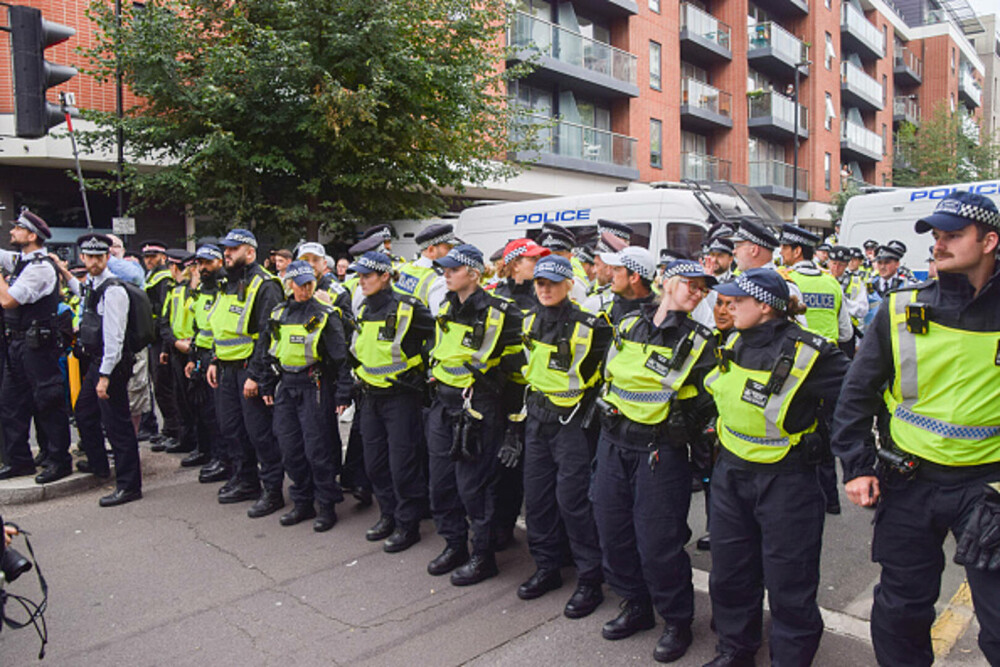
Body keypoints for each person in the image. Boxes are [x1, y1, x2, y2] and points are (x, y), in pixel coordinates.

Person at [832, 191, 1000, 666]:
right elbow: (856, 393)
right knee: (901, 611)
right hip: (910, 479)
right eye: (937, 236)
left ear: (989, 241)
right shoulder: (901, 308)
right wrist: (857, 466)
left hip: (988, 487)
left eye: (953, 235)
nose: (939, 244)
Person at [703, 268, 849, 667]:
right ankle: (735, 649)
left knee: (790, 583)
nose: (727, 307)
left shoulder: (812, 352)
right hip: (731, 473)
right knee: (731, 574)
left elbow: (857, 396)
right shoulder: (732, 340)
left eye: (737, 301)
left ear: (765, 306)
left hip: (788, 481)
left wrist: (853, 457)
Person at [592, 258, 717, 663]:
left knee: (659, 544)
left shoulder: (700, 341)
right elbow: (609, 375)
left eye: (702, 289)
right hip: (613, 443)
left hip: (659, 452)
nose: (696, 293)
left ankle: (677, 620)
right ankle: (636, 606)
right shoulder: (628, 323)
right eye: (690, 284)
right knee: (613, 533)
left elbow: (709, 403)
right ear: (666, 282)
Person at [517, 254, 611, 619]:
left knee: (573, 502)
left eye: (553, 283)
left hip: (571, 424)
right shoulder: (529, 320)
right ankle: (547, 567)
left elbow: (605, 376)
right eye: (539, 282)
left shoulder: (592, 326)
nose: (544, 288)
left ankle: (589, 578)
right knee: (537, 498)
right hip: (538, 419)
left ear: (570, 284)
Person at [425, 244, 524, 585]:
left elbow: (517, 373)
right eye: (445, 270)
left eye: (453, 269)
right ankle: (454, 545)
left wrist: (512, 425)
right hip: (443, 404)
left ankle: (483, 556)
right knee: (441, 483)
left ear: (474, 272)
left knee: (475, 488)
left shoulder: (503, 312)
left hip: (478, 407)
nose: (446, 274)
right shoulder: (445, 306)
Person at [348, 250, 433, 551]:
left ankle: (407, 524)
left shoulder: (409, 307)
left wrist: (424, 369)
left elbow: (437, 336)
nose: (362, 282)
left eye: (367, 276)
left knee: (403, 465)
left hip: (400, 398)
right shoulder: (363, 309)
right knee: (375, 464)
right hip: (370, 397)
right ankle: (388, 514)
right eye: (359, 276)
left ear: (385, 276)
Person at [261, 261, 348, 532]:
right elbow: (268, 351)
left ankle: (326, 505)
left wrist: (343, 393)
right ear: (289, 284)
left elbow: (341, 358)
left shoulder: (324, 315)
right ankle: (302, 502)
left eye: (310, 283)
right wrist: (266, 384)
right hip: (287, 385)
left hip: (315, 385)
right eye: (300, 284)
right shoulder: (278, 314)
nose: (305, 289)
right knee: (290, 448)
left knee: (317, 449)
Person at [206, 229, 286, 518]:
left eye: (233, 249)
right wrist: (215, 358)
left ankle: (272, 490)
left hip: (248, 370)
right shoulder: (229, 282)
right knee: (232, 429)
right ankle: (245, 480)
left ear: (249, 252)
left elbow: (268, 335)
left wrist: (256, 374)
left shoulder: (265, 285)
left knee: (260, 434)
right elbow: (222, 324)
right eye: (225, 249)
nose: (226, 253)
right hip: (226, 367)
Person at [68, 233, 145, 507]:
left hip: (110, 365)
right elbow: (82, 294)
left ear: (106, 257)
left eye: (99, 257)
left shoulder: (114, 290)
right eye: (89, 257)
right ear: (83, 258)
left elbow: (115, 338)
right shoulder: (92, 285)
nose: (94, 262)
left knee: (118, 426)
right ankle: (99, 465)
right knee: (84, 412)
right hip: (98, 362)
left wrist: (105, 376)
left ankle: (129, 485)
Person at [0, 209, 73, 484]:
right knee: (10, 403)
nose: (11, 233)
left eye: (17, 229)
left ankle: (59, 460)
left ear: (32, 236)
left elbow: (8, 301)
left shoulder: (40, 268)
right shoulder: (22, 261)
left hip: (38, 345)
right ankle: (19, 461)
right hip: (18, 343)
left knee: (48, 402)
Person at [692, 292, 737, 552]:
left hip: (736, 428)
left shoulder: (746, 341)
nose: (722, 311)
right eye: (719, 304)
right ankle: (716, 528)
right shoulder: (708, 339)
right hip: (708, 423)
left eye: (730, 305)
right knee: (711, 478)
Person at [184, 244, 229, 481]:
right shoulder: (202, 289)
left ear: (219, 263)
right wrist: (192, 357)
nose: (203, 268)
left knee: (218, 412)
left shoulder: (224, 289)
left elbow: (221, 328)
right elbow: (197, 325)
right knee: (202, 409)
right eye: (200, 263)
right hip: (201, 354)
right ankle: (210, 452)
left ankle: (223, 459)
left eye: (208, 263)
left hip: (217, 356)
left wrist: (212, 357)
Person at [158, 250, 199, 458]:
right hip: (177, 350)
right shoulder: (174, 291)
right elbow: (166, 321)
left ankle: (196, 442)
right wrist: (170, 345)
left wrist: (189, 349)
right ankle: (185, 438)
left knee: (193, 399)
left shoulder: (197, 291)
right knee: (179, 396)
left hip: (192, 351)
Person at [141, 239, 180, 450]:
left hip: (161, 338)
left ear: (163, 257)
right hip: (154, 337)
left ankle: (173, 428)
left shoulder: (163, 278)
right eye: (146, 257)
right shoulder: (153, 276)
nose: (149, 260)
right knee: (160, 385)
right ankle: (169, 428)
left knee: (164, 385)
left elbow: (165, 311)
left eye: (153, 256)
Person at [394, 223, 457, 316]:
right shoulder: (439, 281)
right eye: (449, 248)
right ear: (431, 250)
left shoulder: (402, 269)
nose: (453, 252)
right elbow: (440, 319)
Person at [604, 246, 658, 325]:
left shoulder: (659, 314)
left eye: (617, 269)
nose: (610, 274)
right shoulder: (609, 306)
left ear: (634, 277)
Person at [536, 223, 589, 304]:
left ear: (570, 256)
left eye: (558, 254)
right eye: (547, 255)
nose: (552, 259)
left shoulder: (575, 283)